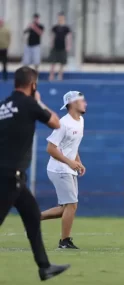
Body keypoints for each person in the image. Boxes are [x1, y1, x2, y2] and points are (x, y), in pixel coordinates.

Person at [0, 66, 70, 281]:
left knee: (32, 215)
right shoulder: (29, 103)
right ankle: (44, 266)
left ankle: (44, 267)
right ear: (33, 85)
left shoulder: (4, 105)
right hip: (10, 175)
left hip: (11, 175)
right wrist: (38, 99)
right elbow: (56, 122)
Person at [40, 91, 86, 249]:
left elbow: (72, 145)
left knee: (66, 209)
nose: (85, 103)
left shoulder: (80, 121)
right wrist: (69, 162)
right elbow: (51, 148)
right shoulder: (63, 123)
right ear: (72, 104)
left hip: (68, 167)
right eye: (81, 100)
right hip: (59, 169)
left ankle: (33, 218)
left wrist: (78, 162)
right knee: (71, 205)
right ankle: (64, 241)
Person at [49, 12, 71, 81]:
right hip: (55, 47)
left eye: (61, 17)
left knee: (62, 62)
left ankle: (60, 76)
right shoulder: (55, 27)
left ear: (63, 18)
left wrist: (68, 45)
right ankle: (51, 76)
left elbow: (69, 37)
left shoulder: (66, 28)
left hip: (63, 47)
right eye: (59, 17)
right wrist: (51, 44)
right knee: (53, 62)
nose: (60, 19)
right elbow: (52, 36)